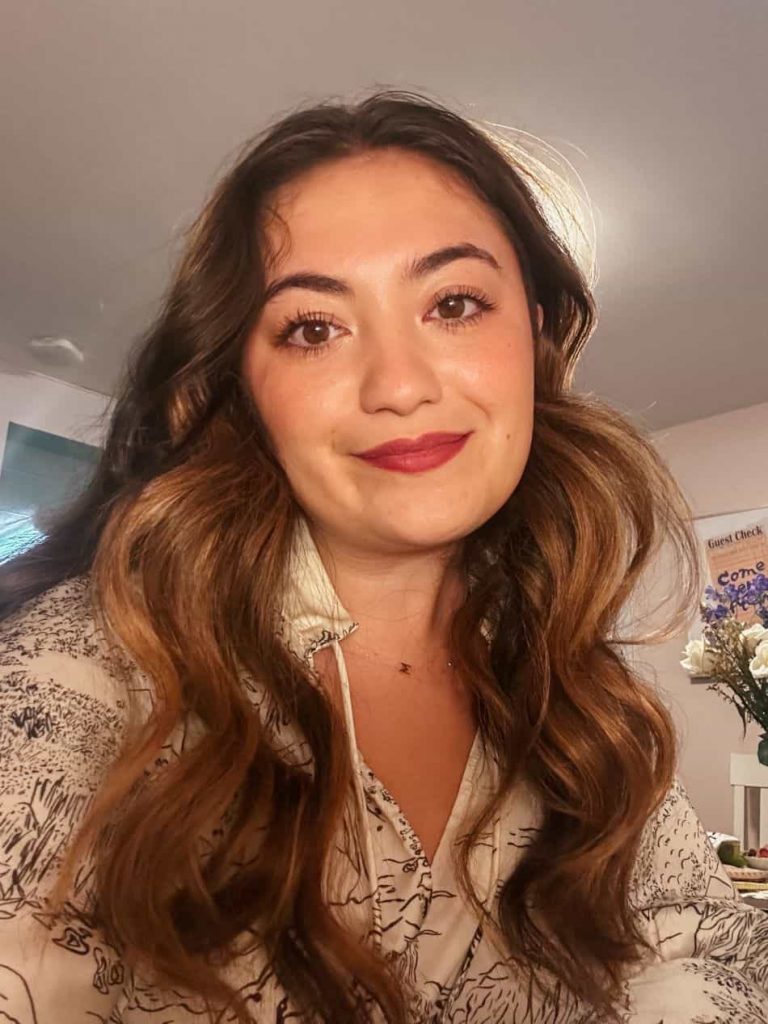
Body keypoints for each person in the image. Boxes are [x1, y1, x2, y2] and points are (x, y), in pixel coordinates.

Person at [0, 90, 766, 1024]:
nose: (398, 386)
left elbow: (697, 952)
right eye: (313, 328)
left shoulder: (577, 693)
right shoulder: (81, 685)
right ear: (243, 384)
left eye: (453, 303)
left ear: (533, 330)